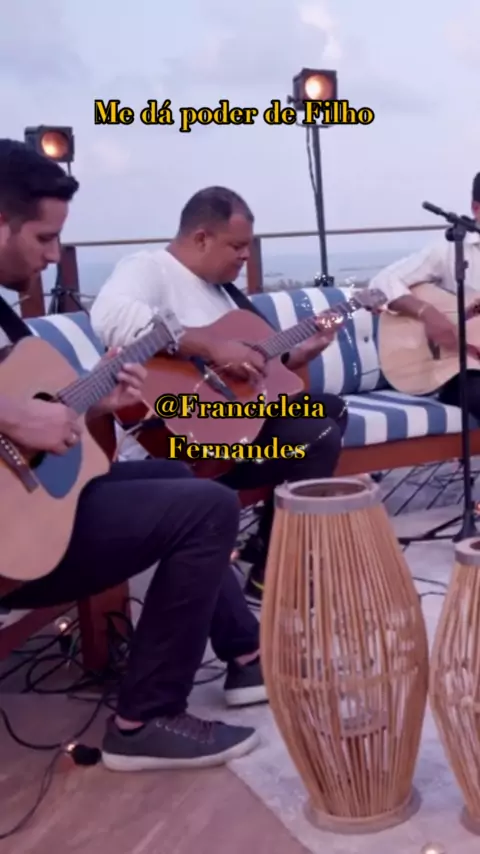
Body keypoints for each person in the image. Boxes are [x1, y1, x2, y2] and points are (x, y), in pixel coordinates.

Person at [0, 139, 267, 772]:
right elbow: (16, 413)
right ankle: (144, 718)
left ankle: (244, 654)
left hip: (26, 509)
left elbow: (35, 409)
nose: (53, 257)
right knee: (205, 509)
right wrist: (13, 414)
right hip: (11, 539)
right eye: (44, 238)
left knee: (178, 477)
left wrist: (91, 401)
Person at [90, 186, 349, 601]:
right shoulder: (149, 268)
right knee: (317, 435)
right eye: (237, 246)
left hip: (234, 427)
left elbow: (255, 369)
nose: (245, 256)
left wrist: (304, 351)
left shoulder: (223, 291)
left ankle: (268, 546)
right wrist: (210, 345)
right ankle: (277, 570)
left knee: (331, 410)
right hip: (177, 438)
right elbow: (111, 318)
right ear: (201, 238)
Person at [368, 172, 480, 418]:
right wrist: (427, 313)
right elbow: (382, 284)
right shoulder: (451, 248)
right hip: (457, 368)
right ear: (476, 209)